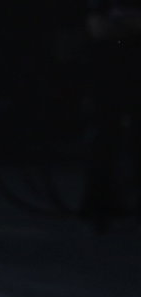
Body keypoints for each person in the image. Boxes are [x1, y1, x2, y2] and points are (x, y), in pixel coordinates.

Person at [80, 0, 141, 232]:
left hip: (119, 66)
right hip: (110, 70)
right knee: (106, 136)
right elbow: (98, 28)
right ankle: (100, 202)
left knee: (120, 135)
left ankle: (109, 201)